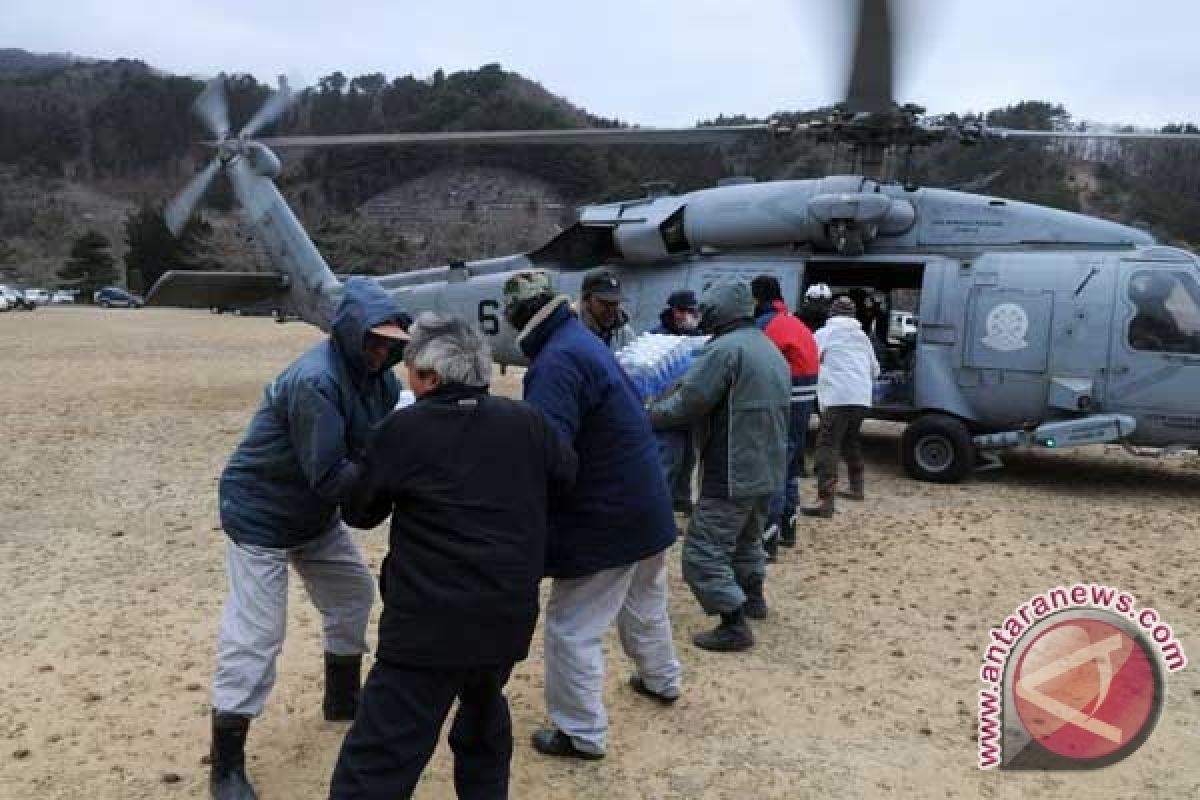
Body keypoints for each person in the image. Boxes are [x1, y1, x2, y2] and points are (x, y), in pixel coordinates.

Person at [328, 314, 577, 800]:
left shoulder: (404, 430)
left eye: (411, 371)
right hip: (504, 616)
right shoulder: (528, 422)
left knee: (379, 757)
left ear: (431, 377)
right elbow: (566, 478)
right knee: (483, 721)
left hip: (427, 626)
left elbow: (360, 512)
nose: (407, 379)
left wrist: (349, 471)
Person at [208, 277, 410, 800]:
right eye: (373, 340)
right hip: (260, 514)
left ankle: (341, 698)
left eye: (390, 341)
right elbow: (331, 474)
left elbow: (379, 449)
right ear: (348, 333)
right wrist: (384, 499)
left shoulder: (383, 383)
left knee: (353, 596)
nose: (382, 350)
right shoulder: (315, 382)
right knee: (256, 635)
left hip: (312, 517)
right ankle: (226, 763)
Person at [503, 270, 682, 761]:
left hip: (609, 515)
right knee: (645, 600)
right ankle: (661, 680)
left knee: (571, 624)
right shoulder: (579, 341)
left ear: (517, 315)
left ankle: (580, 733)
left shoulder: (555, 362)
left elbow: (549, 453)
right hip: (647, 504)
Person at [647, 282, 790, 652]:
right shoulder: (767, 346)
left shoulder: (724, 350)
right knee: (747, 538)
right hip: (768, 466)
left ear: (719, 310)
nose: (701, 314)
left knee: (702, 551)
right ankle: (753, 597)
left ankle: (733, 623)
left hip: (732, 468)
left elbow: (688, 404)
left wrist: (645, 415)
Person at [750, 275, 819, 558]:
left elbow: (753, 362)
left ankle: (767, 539)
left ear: (757, 298)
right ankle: (789, 528)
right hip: (805, 399)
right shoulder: (793, 321)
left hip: (784, 400)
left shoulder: (765, 325)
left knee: (773, 467)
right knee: (789, 466)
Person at [802, 295, 881, 519]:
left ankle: (825, 501)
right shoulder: (862, 337)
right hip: (862, 398)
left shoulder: (824, 334)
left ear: (831, 313)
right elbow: (875, 370)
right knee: (850, 440)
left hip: (837, 396)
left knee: (827, 445)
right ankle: (857, 487)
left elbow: (809, 359)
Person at [650, 289, 701, 513]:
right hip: (667, 406)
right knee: (667, 460)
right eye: (683, 310)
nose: (687, 315)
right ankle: (660, 508)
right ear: (673, 311)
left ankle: (680, 497)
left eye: (691, 311)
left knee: (688, 458)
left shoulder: (695, 335)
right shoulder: (657, 337)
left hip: (689, 406)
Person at [578, 268, 637, 352]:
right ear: (585, 300)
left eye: (615, 302)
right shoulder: (571, 332)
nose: (611, 309)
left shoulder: (623, 330)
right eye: (604, 302)